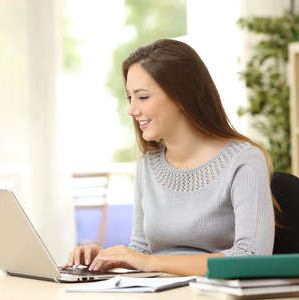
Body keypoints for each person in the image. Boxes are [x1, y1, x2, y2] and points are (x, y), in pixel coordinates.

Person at [62, 39, 277, 276]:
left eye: (142, 97)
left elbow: (253, 255)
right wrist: (105, 258)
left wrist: (152, 263)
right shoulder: (148, 165)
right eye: (129, 98)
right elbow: (141, 250)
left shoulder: (244, 160)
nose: (132, 110)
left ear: (181, 97)